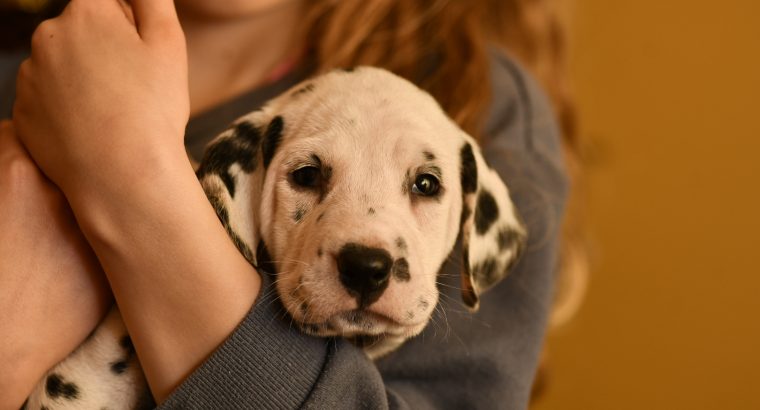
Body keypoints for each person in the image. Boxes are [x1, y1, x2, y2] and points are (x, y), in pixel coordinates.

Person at [0, 0, 568, 408]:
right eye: (307, 176)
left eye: (424, 185)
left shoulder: (477, 98)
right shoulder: (11, 72)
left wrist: (133, 176)